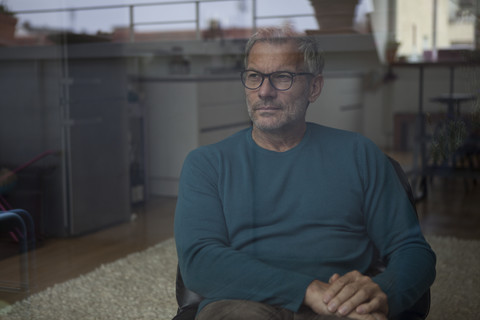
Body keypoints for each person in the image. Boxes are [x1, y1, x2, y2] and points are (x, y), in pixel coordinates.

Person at [174, 26, 436, 320]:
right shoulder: (207, 163)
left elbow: (412, 250)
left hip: (339, 306)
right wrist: (309, 290)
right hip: (243, 301)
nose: (264, 91)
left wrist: (380, 294)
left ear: (314, 87)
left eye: (282, 77)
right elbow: (198, 261)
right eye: (254, 76)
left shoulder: (359, 154)